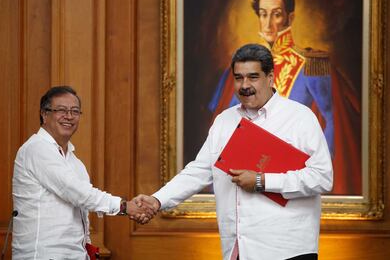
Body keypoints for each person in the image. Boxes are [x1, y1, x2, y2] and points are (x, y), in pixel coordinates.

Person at [135, 44, 333, 259]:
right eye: (238, 78)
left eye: (253, 77)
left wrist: (262, 180)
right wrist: (158, 200)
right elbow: (199, 171)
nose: (245, 85)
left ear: (270, 77)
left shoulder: (300, 117)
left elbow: (322, 178)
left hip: (287, 250)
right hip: (238, 250)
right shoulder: (224, 121)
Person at [208, 0, 361, 194]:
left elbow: (332, 120)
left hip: (292, 175)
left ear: (290, 17)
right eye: (263, 14)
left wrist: (315, 169)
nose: (269, 23)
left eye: (276, 14)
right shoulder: (241, 67)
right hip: (245, 174)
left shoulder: (312, 64)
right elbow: (228, 123)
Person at [12, 86, 154, 259]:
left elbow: (82, 210)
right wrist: (125, 207)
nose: (69, 116)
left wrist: (87, 248)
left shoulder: (75, 162)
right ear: (44, 114)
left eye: (75, 111)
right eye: (61, 110)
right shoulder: (36, 149)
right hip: (43, 254)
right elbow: (77, 192)